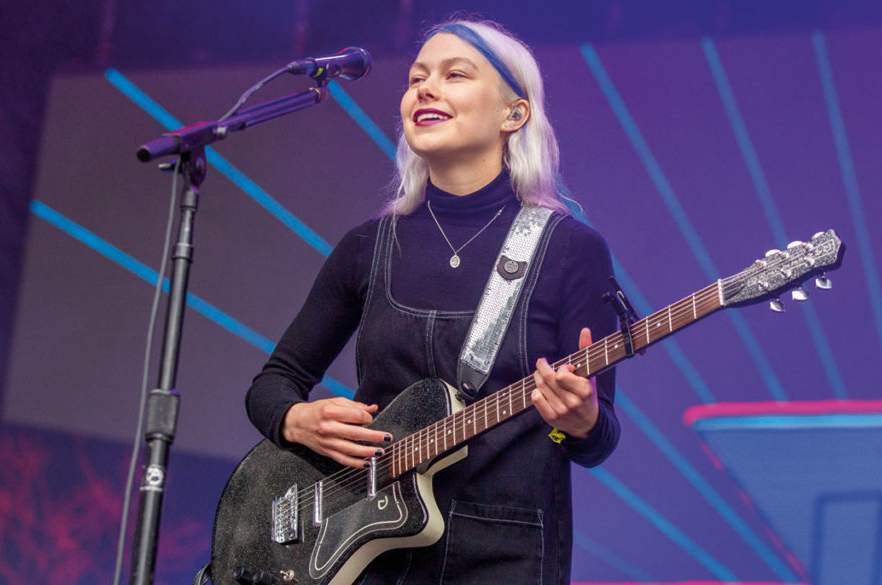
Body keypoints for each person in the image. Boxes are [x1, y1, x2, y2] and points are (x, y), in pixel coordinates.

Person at [245, 18, 620, 585]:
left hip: (507, 557)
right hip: (367, 557)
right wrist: (298, 419)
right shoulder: (368, 246)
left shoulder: (570, 250)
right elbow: (272, 383)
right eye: (417, 76)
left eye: (455, 74)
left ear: (513, 115)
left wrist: (582, 419)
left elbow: (598, 439)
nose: (425, 88)